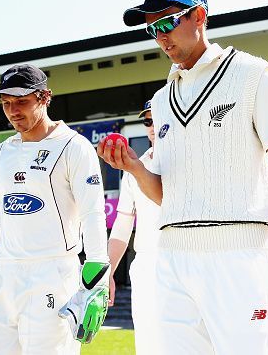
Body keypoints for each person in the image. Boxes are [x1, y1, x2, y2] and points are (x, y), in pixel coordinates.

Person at [98, 0, 268, 354]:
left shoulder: (251, 73)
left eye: (167, 22)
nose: (160, 37)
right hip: (173, 261)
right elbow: (165, 194)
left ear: (199, 16)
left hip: (240, 256)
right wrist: (135, 167)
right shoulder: (162, 99)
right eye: (152, 29)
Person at [0, 64, 110, 354]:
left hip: (52, 275)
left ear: (45, 97)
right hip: (4, 275)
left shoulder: (74, 146)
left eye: (22, 101)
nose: (13, 111)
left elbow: (92, 213)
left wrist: (96, 285)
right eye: (6, 104)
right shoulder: (3, 150)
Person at [108, 100, 162, 353]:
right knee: (149, 346)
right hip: (147, 266)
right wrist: (107, 272)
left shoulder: (191, 159)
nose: (151, 126)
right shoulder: (132, 169)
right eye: (147, 121)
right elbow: (122, 225)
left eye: (157, 118)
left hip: (186, 260)